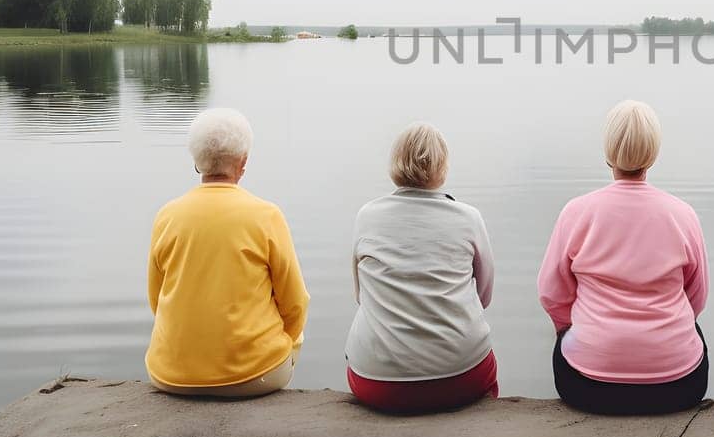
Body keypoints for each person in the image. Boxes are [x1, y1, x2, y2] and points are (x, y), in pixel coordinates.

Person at [538, 100, 709, 415]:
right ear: (653, 154)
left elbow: (552, 293)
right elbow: (696, 298)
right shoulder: (682, 215)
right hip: (679, 388)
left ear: (608, 151)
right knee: (693, 331)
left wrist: (571, 326)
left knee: (566, 337)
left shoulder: (576, 213)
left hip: (586, 387)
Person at [147, 108, 309, 398]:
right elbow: (295, 303)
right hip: (252, 376)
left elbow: (156, 298)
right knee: (294, 336)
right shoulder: (266, 215)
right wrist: (286, 339)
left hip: (170, 374)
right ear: (243, 162)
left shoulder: (167, 216)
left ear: (197, 162)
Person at [346, 122, 499, 413]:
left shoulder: (367, 217)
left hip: (379, 383)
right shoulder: (468, 218)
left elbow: (361, 296)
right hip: (462, 375)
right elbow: (484, 297)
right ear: (442, 167)